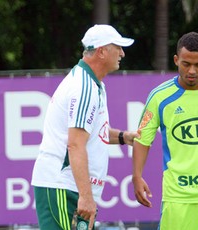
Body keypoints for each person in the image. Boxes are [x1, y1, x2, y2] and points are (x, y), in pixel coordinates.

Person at [31, 24, 140, 230]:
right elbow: (75, 145)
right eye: (118, 47)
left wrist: (125, 137)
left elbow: (91, 133)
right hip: (63, 187)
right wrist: (86, 196)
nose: (122, 53)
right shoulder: (84, 87)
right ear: (101, 52)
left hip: (69, 187)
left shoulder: (92, 84)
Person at [132, 32, 198, 230]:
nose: (192, 70)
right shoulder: (159, 97)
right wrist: (137, 176)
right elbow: (142, 140)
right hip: (178, 196)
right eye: (186, 64)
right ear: (176, 60)